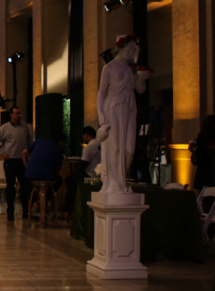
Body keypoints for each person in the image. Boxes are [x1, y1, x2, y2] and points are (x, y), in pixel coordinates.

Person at [97, 33, 151, 194]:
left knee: (129, 149)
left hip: (129, 107)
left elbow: (140, 90)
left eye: (134, 49)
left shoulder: (133, 69)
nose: (131, 52)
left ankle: (121, 181)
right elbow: (101, 92)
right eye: (129, 49)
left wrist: (141, 78)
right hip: (113, 106)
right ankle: (115, 184)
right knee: (114, 148)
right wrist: (101, 115)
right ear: (120, 48)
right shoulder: (109, 67)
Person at [0, 106, 33, 221]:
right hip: (10, 161)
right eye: (17, 113)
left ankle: (26, 211)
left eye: (20, 113)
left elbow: (30, 140)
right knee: (11, 187)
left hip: (22, 161)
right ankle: (10, 212)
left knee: (25, 187)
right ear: (11, 115)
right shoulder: (5, 128)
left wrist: (29, 152)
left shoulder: (25, 127)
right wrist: (1, 152)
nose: (19, 115)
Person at [23, 134, 66, 211]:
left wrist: (26, 166)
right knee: (58, 180)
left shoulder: (40, 141)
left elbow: (24, 153)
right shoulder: (58, 149)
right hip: (45, 176)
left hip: (29, 174)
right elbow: (57, 169)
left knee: (30, 187)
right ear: (60, 142)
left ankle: (32, 205)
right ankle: (42, 201)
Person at [63, 126, 101, 211]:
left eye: (83, 136)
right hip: (99, 175)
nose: (84, 138)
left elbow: (83, 165)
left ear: (86, 135)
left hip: (90, 175)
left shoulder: (89, 146)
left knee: (69, 179)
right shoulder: (100, 143)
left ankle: (70, 205)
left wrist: (74, 172)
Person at [191, 115, 215, 192]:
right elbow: (195, 162)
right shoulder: (200, 142)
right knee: (205, 202)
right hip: (205, 181)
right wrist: (193, 153)